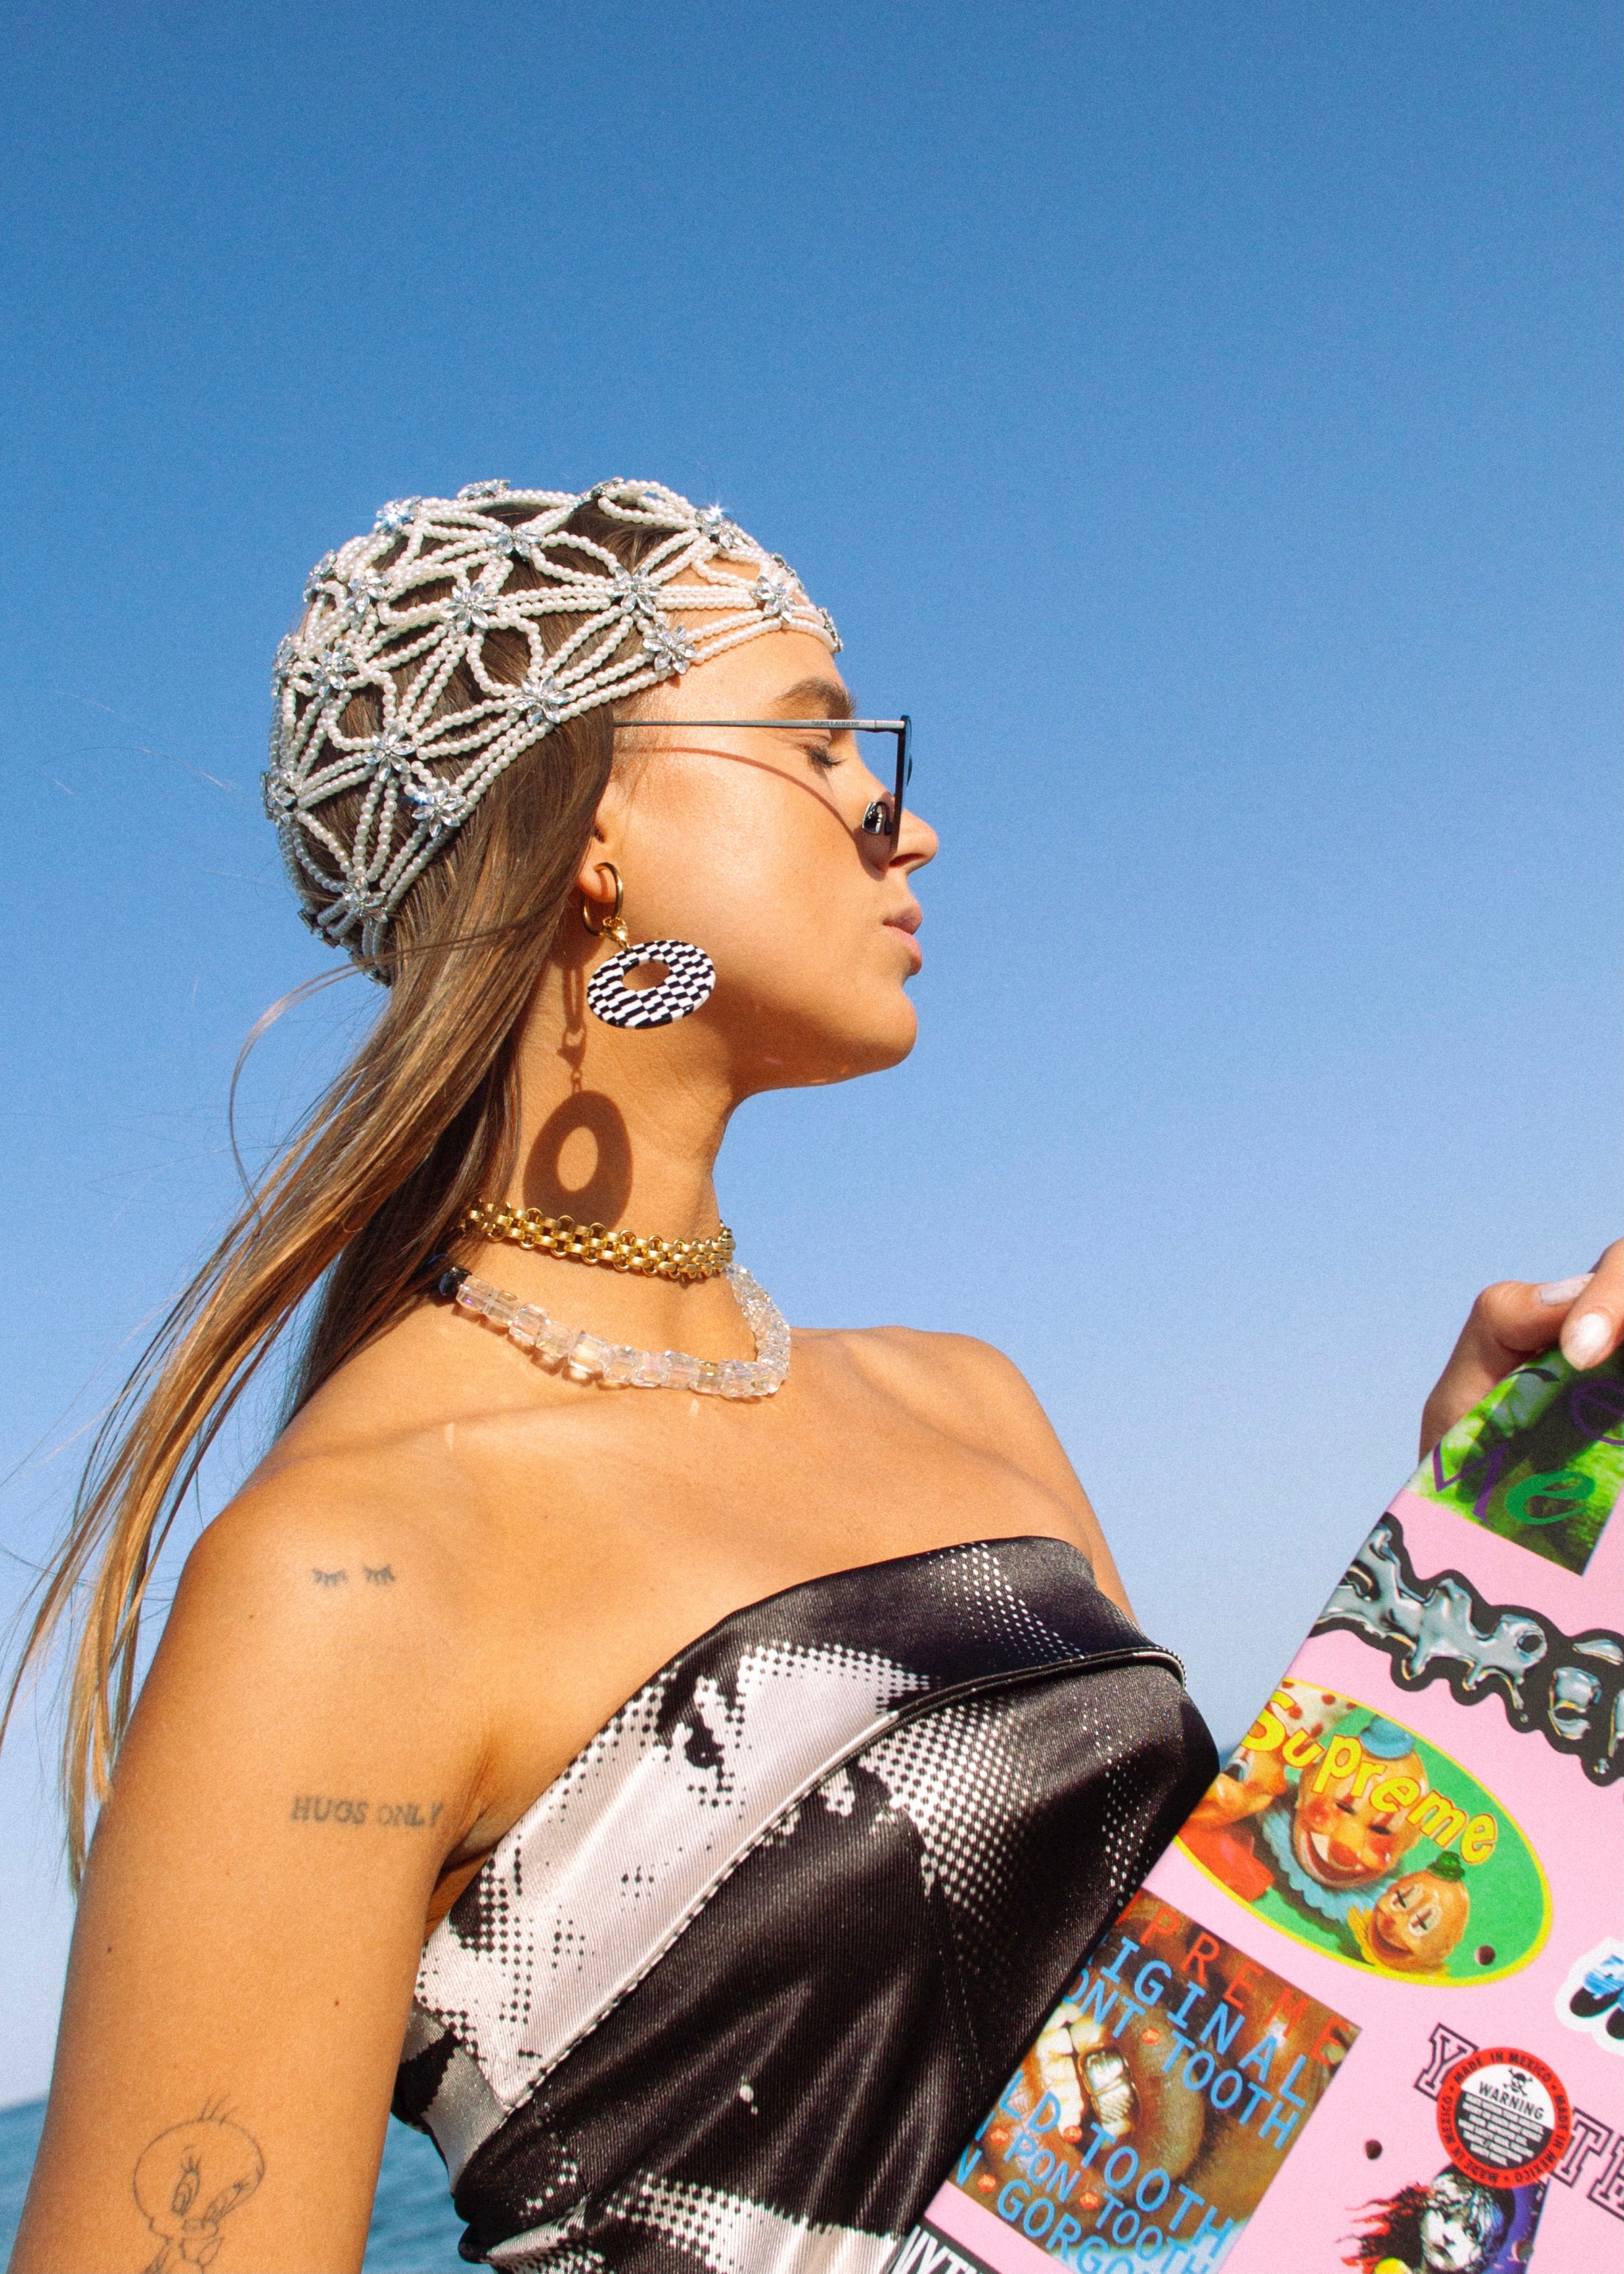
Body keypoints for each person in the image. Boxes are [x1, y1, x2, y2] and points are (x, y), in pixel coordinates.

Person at [7, 482, 1619, 2274]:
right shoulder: (347, 1577)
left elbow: (1217, 2096)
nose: (903, 820)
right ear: (590, 824)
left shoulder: (966, 1408)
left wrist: (1493, 1549)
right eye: (818, 741)